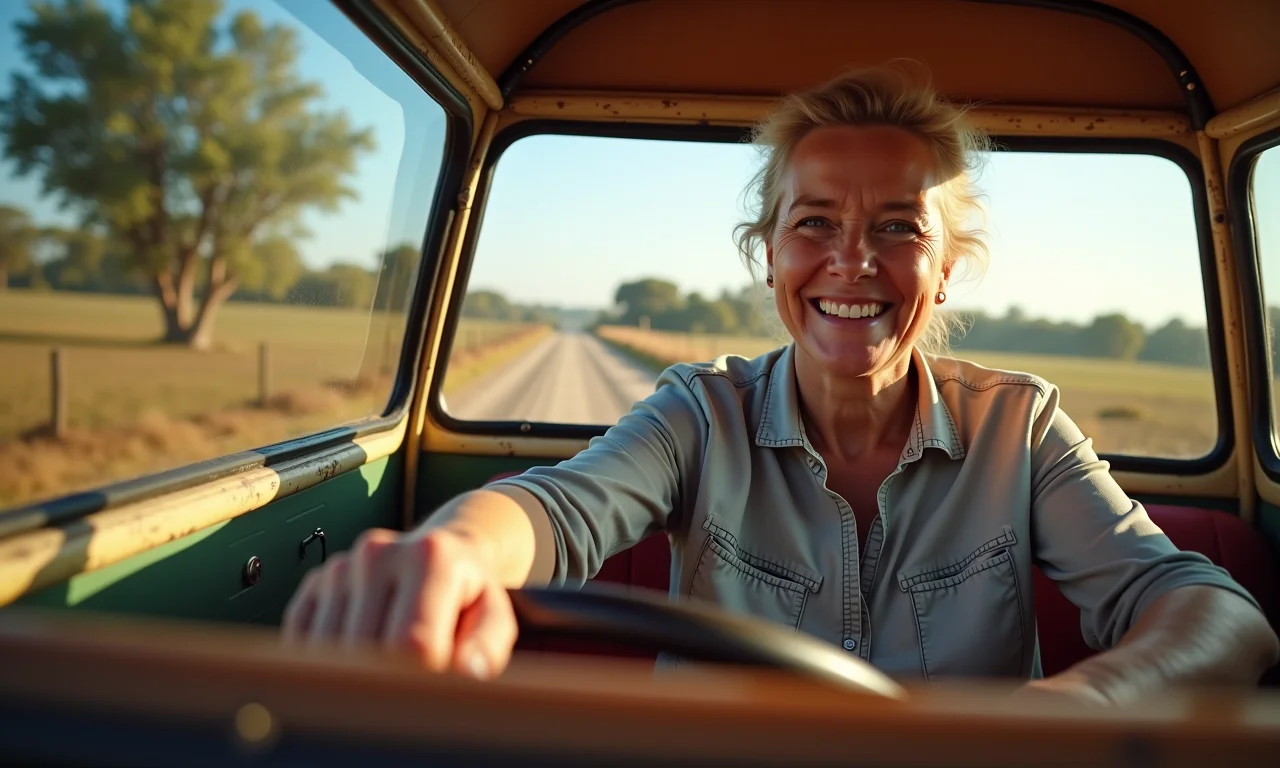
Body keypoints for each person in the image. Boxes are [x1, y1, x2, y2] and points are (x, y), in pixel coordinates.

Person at [282, 65, 1279, 703]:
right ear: (768, 256)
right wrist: (456, 552)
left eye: (898, 227)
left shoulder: (1017, 428)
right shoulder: (697, 415)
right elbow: (559, 507)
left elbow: (1218, 616)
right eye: (813, 224)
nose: (852, 261)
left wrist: (1072, 708)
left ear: (944, 269)